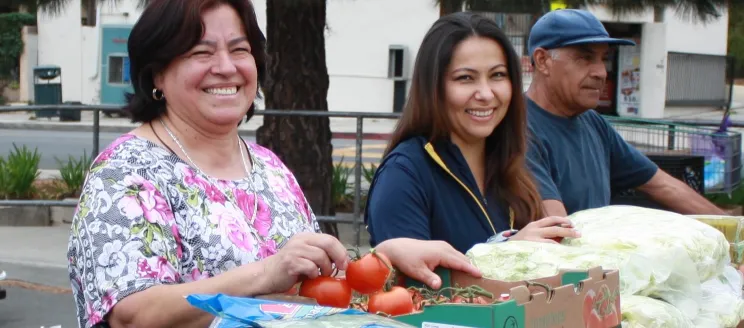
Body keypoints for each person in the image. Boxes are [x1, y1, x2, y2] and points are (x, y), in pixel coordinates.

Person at [66, 1, 480, 328]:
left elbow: (311, 285)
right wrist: (265, 275)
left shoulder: (268, 166)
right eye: (201, 52)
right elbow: (133, 314)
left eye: (240, 49)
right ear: (157, 73)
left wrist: (384, 259)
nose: (226, 67)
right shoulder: (126, 172)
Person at [364, 12, 580, 256]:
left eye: (497, 75)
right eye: (465, 78)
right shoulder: (403, 175)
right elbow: (412, 288)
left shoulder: (512, 168)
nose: (486, 94)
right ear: (433, 87)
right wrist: (509, 252)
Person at [524, 9, 726, 217]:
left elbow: (664, 186)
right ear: (542, 61)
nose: (601, 72)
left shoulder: (593, 123)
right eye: (585, 58)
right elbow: (557, 229)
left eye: (603, 58)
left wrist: (733, 228)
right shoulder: (517, 129)